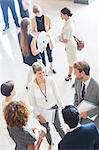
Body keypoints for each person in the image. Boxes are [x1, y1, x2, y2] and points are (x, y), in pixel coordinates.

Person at [28, 62, 65, 150]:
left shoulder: (50, 80)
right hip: (41, 111)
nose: (42, 75)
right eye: (39, 73)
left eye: (43, 72)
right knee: (46, 130)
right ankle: (50, 143)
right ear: (34, 74)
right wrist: (39, 115)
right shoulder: (31, 86)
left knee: (59, 127)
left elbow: (57, 94)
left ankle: (66, 141)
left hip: (53, 108)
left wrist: (63, 108)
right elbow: (32, 103)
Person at [18, 18, 46, 87]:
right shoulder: (32, 38)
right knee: (42, 70)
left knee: (31, 70)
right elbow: (34, 52)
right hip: (35, 59)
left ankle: (28, 84)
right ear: (28, 26)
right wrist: (42, 48)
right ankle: (42, 82)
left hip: (27, 57)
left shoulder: (19, 34)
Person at [73, 60, 99, 129]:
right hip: (79, 119)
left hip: (92, 121)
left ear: (82, 73)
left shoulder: (97, 87)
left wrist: (88, 113)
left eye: (75, 72)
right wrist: (75, 108)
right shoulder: (77, 80)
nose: (73, 74)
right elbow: (76, 95)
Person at [31, 4, 56, 74]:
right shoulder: (33, 20)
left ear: (41, 10)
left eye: (38, 12)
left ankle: (51, 67)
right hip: (39, 40)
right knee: (42, 55)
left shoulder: (47, 18)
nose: (37, 14)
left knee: (49, 54)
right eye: (36, 13)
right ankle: (44, 69)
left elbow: (51, 28)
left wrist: (46, 33)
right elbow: (32, 31)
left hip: (47, 39)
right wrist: (39, 33)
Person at [59, 7, 77, 81]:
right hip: (70, 44)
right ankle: (71, 75)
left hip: (70, 45)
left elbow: (65, 40)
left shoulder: (68, 26)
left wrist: (59, 39)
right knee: (72, 61)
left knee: (72, 62)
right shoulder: (69, 21)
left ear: (66, 15)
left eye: (61, 15)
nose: (60, 16)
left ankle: (72, 76)